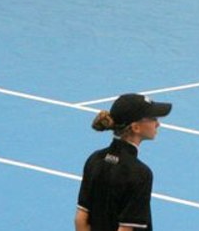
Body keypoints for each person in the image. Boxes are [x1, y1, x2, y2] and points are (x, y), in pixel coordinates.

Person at [74, 93, 173, 231]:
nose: (158, 123)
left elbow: (80, 220)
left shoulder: (94, 159)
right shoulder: (140, 173)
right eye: (152, 118)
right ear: (136, 127)